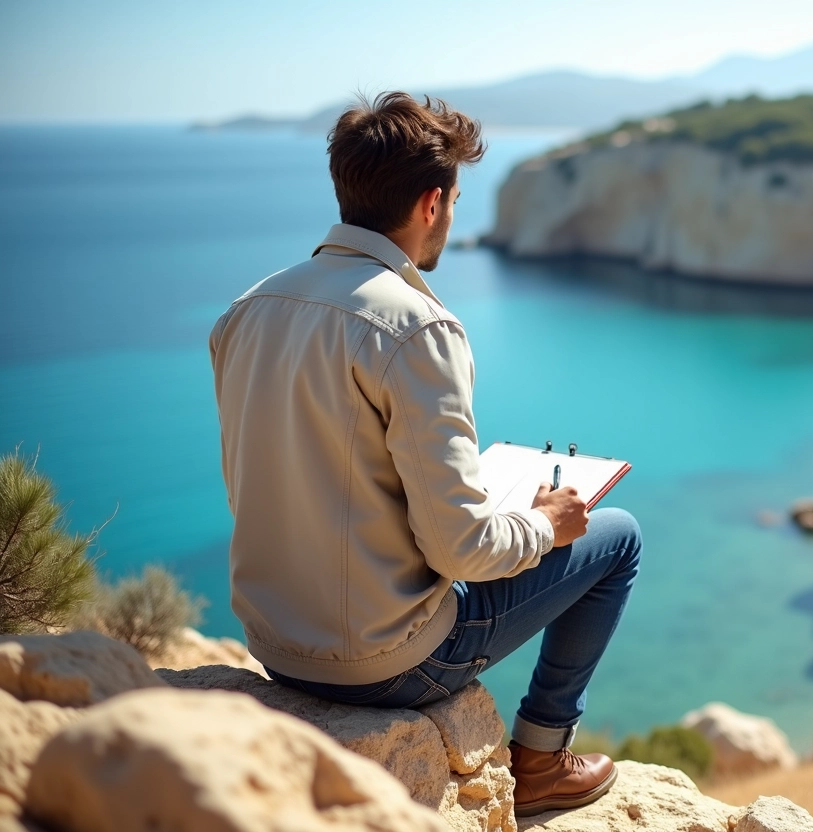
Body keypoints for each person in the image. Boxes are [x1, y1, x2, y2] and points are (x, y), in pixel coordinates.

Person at [208, 91, 641, 817]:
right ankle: (540, 760)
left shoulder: (248, 309)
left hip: (273, 646)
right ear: (432, 203)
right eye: (457, 199)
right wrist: (546, 526)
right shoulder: (417, 328)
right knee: (617, 536)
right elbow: (462, 551)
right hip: (382, 664)